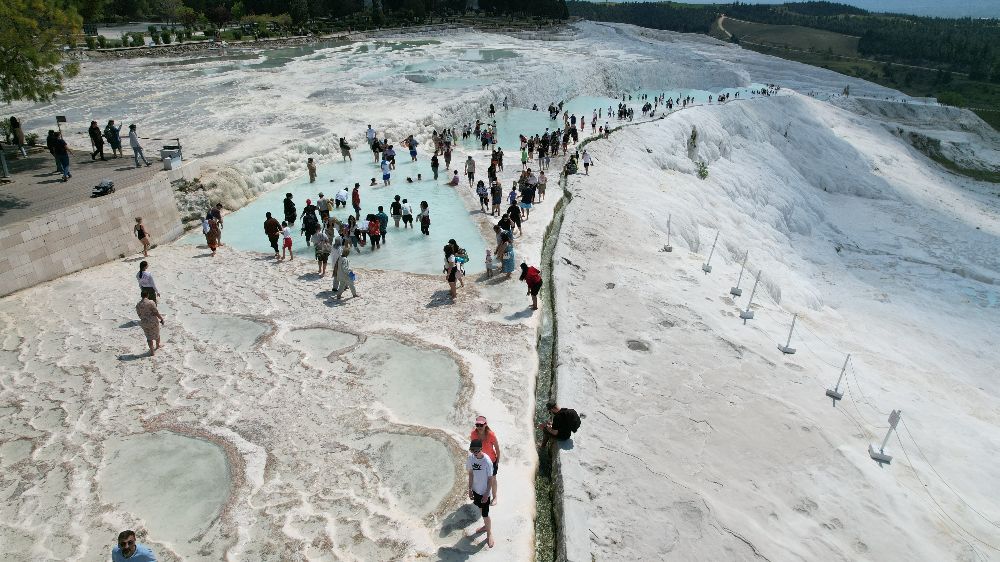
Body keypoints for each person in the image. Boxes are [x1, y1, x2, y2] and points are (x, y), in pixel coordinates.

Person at [466, 439, 497, 549]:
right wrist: (469, 489)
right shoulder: (470, 458)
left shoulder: (487, 461)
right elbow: (470, 474)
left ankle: (489, 533)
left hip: (485, 492)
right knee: (480, 508)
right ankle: (485, 526)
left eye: (477, 450)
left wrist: (486, 494)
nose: (475, 452)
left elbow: (490, 480)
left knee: (485, 514)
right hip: (475, 490)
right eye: (473, 450)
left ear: (481, 449)